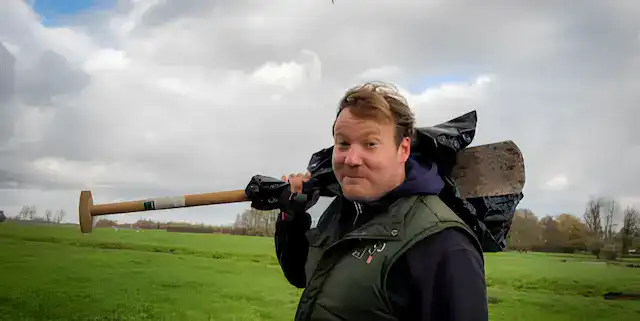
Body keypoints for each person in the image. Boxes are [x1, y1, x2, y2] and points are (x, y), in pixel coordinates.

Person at [274, 81, 488, 321]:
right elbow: (302, 275)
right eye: (343, 143)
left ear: (403, 150)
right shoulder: (344, 211)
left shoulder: (442, 243)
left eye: (370, 144)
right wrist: (291, 216)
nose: (351, 159)